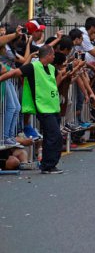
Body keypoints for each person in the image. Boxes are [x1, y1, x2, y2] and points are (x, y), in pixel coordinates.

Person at [0, 45, 64, 174]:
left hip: (53, 107)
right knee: (54, 136)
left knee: (54, 137)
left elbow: (59, 76)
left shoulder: (52, 68)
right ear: (48, 55)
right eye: (53, 54)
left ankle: (49, 164)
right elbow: (15, 72)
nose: (54, 57)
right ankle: (48, 165)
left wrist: (53, 89)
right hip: (43, 108)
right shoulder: (33, 67)